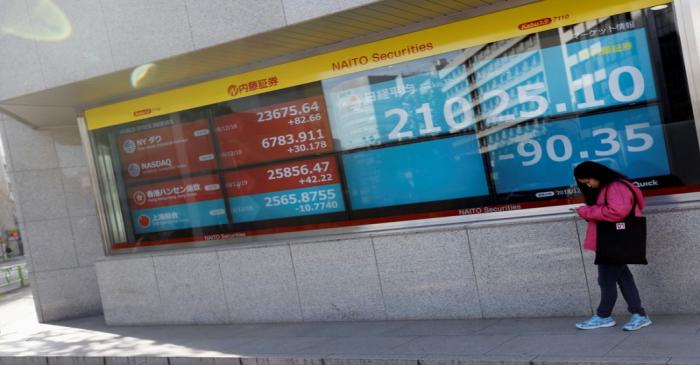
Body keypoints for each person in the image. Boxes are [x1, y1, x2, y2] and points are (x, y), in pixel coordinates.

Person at [572, 161, 652, 331]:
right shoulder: (614, 186)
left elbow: (617, 212)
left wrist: (585, 211)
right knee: (623, 278)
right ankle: (639, 314)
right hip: (614, 241)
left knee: (606, 280)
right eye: (584, 183)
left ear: (598, 174)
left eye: (588, 181)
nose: (589, 185)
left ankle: (603, 316)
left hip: (613, 241)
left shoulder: (615, 187)